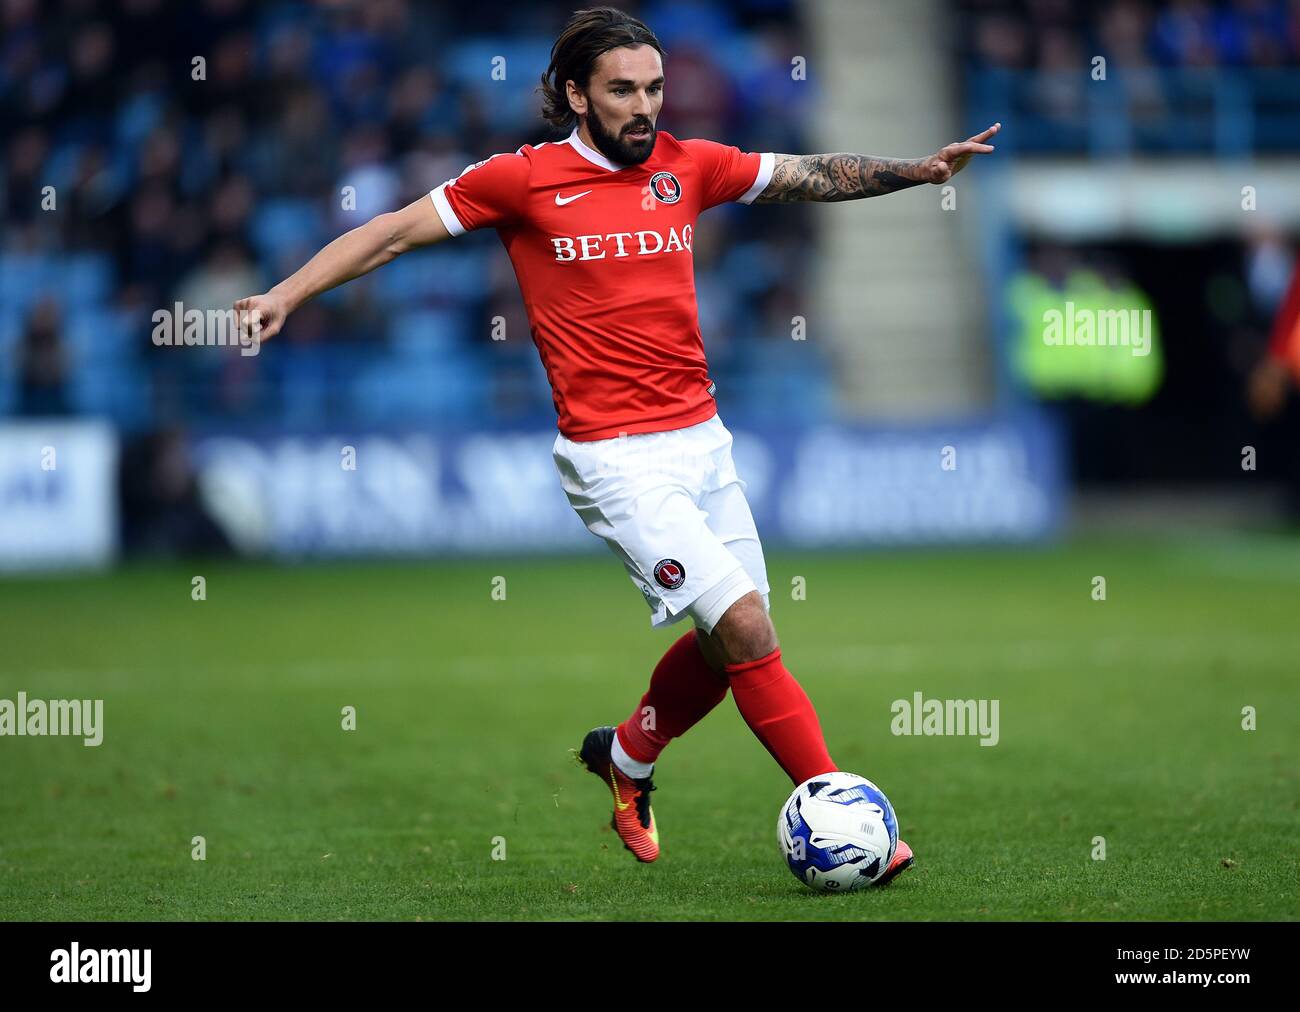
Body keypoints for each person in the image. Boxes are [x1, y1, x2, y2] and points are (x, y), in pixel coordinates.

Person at [235, 6, 999, 884]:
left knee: (728, 645)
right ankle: (842, 814)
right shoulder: (521, 180)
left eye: (655, 88)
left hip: (702, 440)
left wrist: (917, 169)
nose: (645, 107)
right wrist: (286, 294)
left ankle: (627, 758)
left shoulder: (689, 165)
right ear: (575, 94)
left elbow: (807, 174)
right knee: (745, 624)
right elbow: (392, 232)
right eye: (623, 90)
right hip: (616, 459)